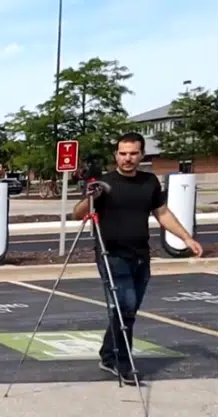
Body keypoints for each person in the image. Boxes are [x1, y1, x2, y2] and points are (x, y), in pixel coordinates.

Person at [72, 131, 203, 385]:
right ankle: (124, 363)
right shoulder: (105, 183)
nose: (127, 158)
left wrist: (186, 238)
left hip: (141, 255)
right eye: (122, 153)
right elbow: (78, 214)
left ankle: (108, 355)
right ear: (116, 155)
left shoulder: (149, 182)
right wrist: (92, 196)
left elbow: (162, 213)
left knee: (126, 311)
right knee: (125, 307)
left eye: (133, 153)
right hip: (112, 254)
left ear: (142, 154)